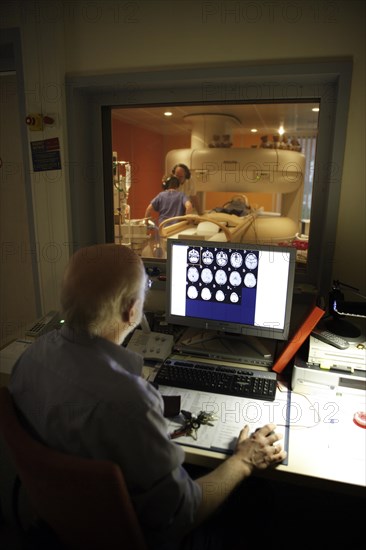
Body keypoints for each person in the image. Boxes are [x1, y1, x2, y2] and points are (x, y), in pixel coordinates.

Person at [9, 243, 287, 550]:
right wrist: (244, 460)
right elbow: (185, 513)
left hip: (62, 527)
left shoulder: (29, 360)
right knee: (262, 498)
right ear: (131, 309)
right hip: (146, 537)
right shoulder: (131, 403)